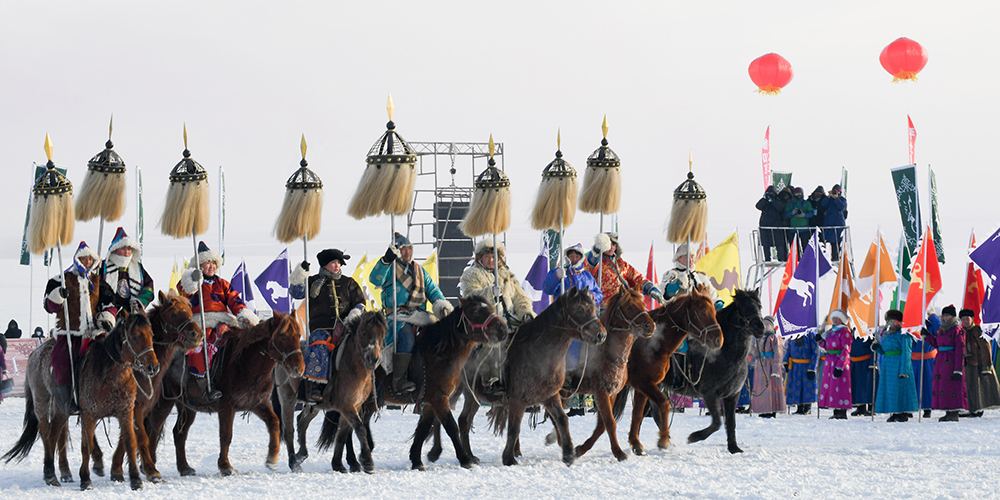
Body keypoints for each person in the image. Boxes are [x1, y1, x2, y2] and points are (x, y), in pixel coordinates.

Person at [369, 232, 453, 395]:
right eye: (402, 249)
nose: (407, 252)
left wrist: (441, 305)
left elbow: (432, 290)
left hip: (420, 316)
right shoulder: (390, 270)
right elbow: (375, 279)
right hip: (397, 317)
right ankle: (398, 380)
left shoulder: (420, 271)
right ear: (396, 251)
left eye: (409, 248)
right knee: (407, 338)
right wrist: (386, 260)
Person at [177, 241, 258, 404]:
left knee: (234, 338)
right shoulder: (189, 283)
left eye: (214, 263)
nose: (212, 266)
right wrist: (193, 280)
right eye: (208, 262)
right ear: (200, 264)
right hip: (200, 322)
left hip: (222, 320)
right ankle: (204, 383)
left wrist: (243, 314)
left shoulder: (222, 284)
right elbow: (184, 294)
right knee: (201, 342)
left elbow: (235, 300)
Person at [290, 248, 366, 403]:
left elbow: (360, 302)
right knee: (319, 344)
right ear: (325, 264)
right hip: (321, 328)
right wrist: (300, 274)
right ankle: (314, 386)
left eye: (339, 263)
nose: (337, 266)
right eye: (333, 262)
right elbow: (296, 292)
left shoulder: (349, 282)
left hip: (346, 326)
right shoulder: (311, 282)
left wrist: (354, 315)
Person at [460, 236, 533, 396]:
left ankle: (532, 381)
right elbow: (470, 297)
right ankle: (490, 381)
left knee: (534, 338)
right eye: (487, 256)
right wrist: (488, 292)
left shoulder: (507, 275)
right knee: (494, 339)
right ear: (480, 258)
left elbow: (521, 298)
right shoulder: (471, 274)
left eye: (495, 256)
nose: (491, 260)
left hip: (511, 318)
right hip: (485, 321)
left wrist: (526, 312)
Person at [42, 241, 102, 414]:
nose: (87, 262)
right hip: (70, 333)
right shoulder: (61, 279)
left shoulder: (97, 281)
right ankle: (66, 400)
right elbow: (49, 306)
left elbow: (107, 301)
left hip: (93, 333)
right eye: (83, 259)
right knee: (62, 361)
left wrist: (106, 317)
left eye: (90, 259)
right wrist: (58, 296)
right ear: (77, 259)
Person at [542, 243, 602, 381]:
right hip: (564, 318)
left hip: (585, 319)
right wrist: (556, 276)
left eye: (576, 256)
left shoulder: (587, 276)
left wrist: (592, 297)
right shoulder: (560, 273)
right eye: (571, 256)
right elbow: (547, 289)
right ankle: (564, 374)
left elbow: (598, 294)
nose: (573, 258)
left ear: (581, 257)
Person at [585, 232, 665, 309]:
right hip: (607, 305)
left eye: (614, 244)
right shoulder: (596, 263)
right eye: (608, 245)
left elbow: (636, 277)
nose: (611, 247)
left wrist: (650, 288)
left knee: (645, 316)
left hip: (627, 302)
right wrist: (597, 248)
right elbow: (590, 263)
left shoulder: (622, 264)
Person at [97, 227, 154, 329]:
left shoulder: (138, 267)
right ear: (114, 249)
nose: (127, 252)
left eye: (129, 249)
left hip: (133, 313)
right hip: (109, 313)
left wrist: (139, 301)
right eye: (123, 249)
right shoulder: (104, 267)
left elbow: (149, 286)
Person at [872, 309, 919, 422]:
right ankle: (893, 412)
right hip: (888, 365)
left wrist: (905, 369)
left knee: (899, 389)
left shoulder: (904, 335)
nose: (892, 324)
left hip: (899, 364)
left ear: (900, 322)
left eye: (894, 321)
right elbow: (885, 351)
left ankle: (902, 413)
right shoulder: (887, 334)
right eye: (890, 321)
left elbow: (907, 352)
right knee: (890, 390)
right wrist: (877, 348)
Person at [924, 305, 967, 422]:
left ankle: (954, 412)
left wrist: (958, 368)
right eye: (943, 316)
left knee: (953, 386)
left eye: (947, 316)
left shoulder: (958, 330)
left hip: (952, 360)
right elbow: (937, 344)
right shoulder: (941, 329)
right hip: (941, 361)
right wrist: (927, 335)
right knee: (944, 387)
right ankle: (948, 411)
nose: (944, 318)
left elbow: (960, 350)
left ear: (952, 316)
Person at [959, 309, 1000, 417]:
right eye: (963, 319)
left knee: (978, 388)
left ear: (972, 319)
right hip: (967, 363)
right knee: (969, 387)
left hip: (977, 363)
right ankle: (971, 409)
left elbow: (985, 347)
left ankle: (977, 409)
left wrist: (986, 364)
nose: (965, 321)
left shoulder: (977, 330)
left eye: (967, 318)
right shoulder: (962, 331)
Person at [817, 309, 853, 419]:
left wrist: (840, 365)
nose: (835, 320)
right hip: (829, 360)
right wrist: (820, 341)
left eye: (837, 318)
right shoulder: (830, 331)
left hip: (839, 361)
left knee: (840, 385)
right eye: (833, 318)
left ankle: (841, 411)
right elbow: (827, 346)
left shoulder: (845, 332)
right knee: (832, 385)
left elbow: (845, 349)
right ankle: (835, 409)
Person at [751, 316, 786, 418]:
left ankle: (771, 409)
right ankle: (762, 409)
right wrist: (750, 346)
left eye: (767, 325)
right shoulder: (760, 338)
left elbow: (778, 353)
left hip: (770, 366)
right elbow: (757, 353)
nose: (765, 327)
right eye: (764, 325)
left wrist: (776, 369)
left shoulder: (775, 338)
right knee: (761, 388)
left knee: (770, 387)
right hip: (761, 365)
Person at [783, 329, 819, 415]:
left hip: (807, 365)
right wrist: (786, 361)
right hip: (795, 366)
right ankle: (799, 407)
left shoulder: (811, 335)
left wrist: (812, 368)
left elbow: (816, 352)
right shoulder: (793, 335)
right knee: (797, 386)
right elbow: (788, 350)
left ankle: (807, 407)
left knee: (807, 387)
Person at [913, 310, 939, 419]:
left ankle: (928, 408)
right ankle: (910, 407)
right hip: (913, 359)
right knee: (912, 385)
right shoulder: (912, 322)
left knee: (927, 385)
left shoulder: (932, 325)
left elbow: (939, 328)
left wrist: (932, 315)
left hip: (928, 359)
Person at [849, 330, 878, 416]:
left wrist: (873, 362)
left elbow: (873, 347)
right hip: (855, 362)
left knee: (867, 386)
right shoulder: (852, 331)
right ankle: (860, 407)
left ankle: (871, 406)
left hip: (865, 363)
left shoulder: (869, 332)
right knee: (857, 386)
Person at [755, 185, 787, 261]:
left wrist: (773, 200)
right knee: (765, 243)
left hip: (776, 226)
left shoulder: (778, 201)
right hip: (765, 225)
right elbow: (758, 206)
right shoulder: (764, 202)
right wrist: (765, 199)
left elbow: (781, 208)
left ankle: (781, 258)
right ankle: (767, 258)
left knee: (779, 243)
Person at [783, 187, 815, 254]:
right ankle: (796, 261)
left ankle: (806, 261)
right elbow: (786, 214)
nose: (798, 195)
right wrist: (792, 213)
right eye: (796, 193)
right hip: (793, 229)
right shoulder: (790, 204)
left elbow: (811, 213)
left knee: (806, 247)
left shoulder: (807, 203)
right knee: (795, 248)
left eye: (799, 193)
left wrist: (804, 215)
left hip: (804, 228)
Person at [820, 184, 847, 261]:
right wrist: (828, 197)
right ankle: (823, 258)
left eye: (836, 191)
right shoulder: (829, 200)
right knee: (826, 241)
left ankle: (836, 257)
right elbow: (823, 205)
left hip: (838, 225)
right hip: (829, 224)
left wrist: (836, 199)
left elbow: (842, 207)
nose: (835, 193)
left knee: (837, 243)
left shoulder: (842, 200)